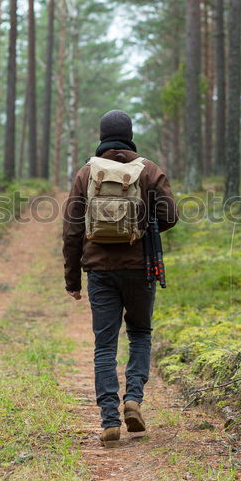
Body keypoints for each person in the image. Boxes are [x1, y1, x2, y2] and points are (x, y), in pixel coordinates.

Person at [63, 109, 178, 447]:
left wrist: (72, 279)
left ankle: (110, 419)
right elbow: (170, 215)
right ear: (129, 134)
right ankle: (134, 400)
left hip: (99, 272)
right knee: (140, 333)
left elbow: (71, 230)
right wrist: (143, 225)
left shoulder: (87, 173)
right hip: (141, 267)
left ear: (102, 135)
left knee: (105, 344)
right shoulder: (149, 170)